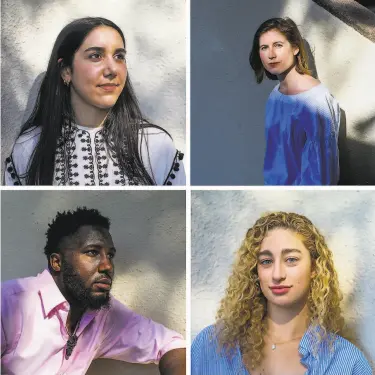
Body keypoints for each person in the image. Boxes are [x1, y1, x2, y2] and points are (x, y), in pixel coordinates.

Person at [1, 207, 186, 375]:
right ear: (57, 262)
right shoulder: (10, 304)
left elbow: (170, 344)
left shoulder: (103, 315)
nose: (107, 266)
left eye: (110, 255)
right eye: (92, 252)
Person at [4, 17, 185, 186]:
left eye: (119, 56)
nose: (112, 69)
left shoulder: (155, 145)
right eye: (95, 56)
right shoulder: (30, 147)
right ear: (66, 71)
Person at [191, 212, 372, 375]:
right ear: (255, 270)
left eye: (291, 259)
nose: (278, 274)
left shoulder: (348, 364)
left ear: (315, 268)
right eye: (266, 261)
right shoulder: (210, 346)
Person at [249, 18, 340, 185]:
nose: (271, 54)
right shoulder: (275, 95)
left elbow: (322, 171)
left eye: (278, 45)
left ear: (295, 48)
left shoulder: (315, 101)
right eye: (264, 47)